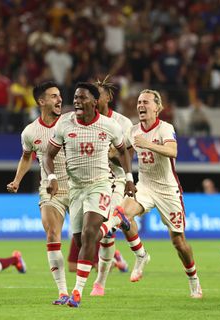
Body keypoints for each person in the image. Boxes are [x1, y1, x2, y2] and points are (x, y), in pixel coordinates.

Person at [43, 82, 136, 307]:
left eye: (82, 98)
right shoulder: (65, 123)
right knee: (81, 239)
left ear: (95, 102)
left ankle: (77, 293)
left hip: (100, 185)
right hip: (75, 189)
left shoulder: (109, 125)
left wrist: (130, 178)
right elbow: (48, 155)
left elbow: (123, 150)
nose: (77, 101)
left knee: (89, 232)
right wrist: (52, 178)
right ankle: (114, 224)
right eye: (75, 98)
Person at [108, 89, 203, 299]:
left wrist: (147, 144)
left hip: (168, 190)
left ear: (157, 107)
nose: (141, 105)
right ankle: (140, 255)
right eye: (139, 101)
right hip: (145, 187)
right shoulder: (133, 131)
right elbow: (121, 154)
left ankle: (193, 279)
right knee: (121, 213)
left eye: (146, 102)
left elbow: (173, 151)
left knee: (178, 242)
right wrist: (109, 153)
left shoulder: (165, 128)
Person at [7, 81, 70, 305]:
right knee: (52, 233)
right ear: (41, 101)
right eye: (53, 96)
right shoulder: (30, 132)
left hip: (80, 185)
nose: (59, 99)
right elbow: (26, 158)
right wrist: (16, 181)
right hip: (50, 189)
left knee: (88, 238)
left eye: (60, 95)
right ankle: (63, 292)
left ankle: (109, 259)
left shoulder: (72, 122)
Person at [90, 76, 133, 296]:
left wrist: (112, 156)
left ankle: (100, 283)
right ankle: (119, 220)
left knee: (106, 233)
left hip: (115, 181)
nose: (94, 98)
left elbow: (128, 156)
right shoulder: (84, 122)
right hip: (93, 182)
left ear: (108, 97)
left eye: (98, 94)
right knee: (83, 233)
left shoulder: (123, 123)